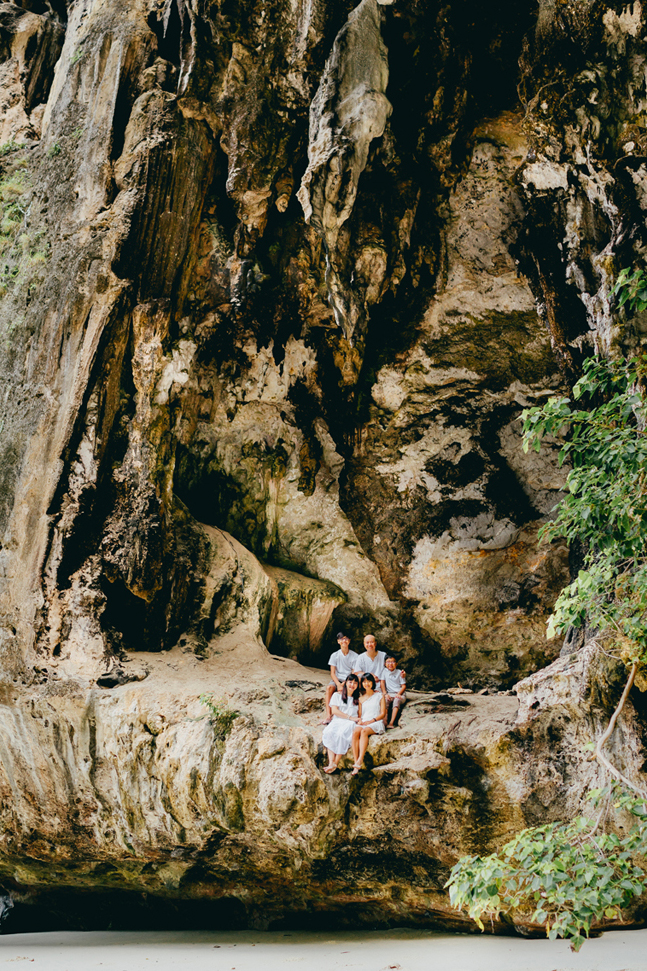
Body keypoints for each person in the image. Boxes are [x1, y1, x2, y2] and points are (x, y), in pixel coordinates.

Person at [322, 675, 360, 773]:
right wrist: (350, 717)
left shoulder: (358, 699)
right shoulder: (337, 695)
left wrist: (353, 719)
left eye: (355, 683)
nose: (352, 685)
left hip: (350, 723)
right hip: (338, 720)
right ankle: (331, 762)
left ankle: (336, 762)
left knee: (341, 735)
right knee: (329, 732)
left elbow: (360, 715)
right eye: (350, 682)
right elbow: (334, 711)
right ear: (345, 683)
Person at [351, 674, 386, 775]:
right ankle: (355, 762)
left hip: (376, 721)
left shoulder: (379, 695)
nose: (367, 684)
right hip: (365, 720)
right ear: (362, 683)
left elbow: (383, 713)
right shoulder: (361, 699)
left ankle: (360, 759)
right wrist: (360, 721)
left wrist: (372, 721)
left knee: (364, 731)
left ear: (373, 683)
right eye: (364, 682)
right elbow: (361, 715)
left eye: (369, 681)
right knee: (355, 732)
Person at [322, 632, 359, 724]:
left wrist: (345, 683)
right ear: (338, 641)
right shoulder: (335, 655)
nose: (344, 641)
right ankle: (328, 715)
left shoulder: (355, 656)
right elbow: (332, 673)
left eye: (346, 639)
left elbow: (354, 672)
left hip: (349, 679)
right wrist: (338, 684)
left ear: (349, 641)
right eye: (342, 639)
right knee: (329, 688)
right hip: (337, 679)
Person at [380, 654, 406, 728]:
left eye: (393, 662)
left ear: (396, 663)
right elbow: (382, 683)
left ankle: (391, 723)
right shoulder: (384, 672)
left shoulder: (399, 672)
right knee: (385, 700)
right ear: (385, 664)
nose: (390, 664)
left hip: (400, 694)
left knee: (396, 700)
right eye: (388, 662)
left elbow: (403, 686)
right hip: (390, 693)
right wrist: (385, 694)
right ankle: (385, 722)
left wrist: (399, 694)